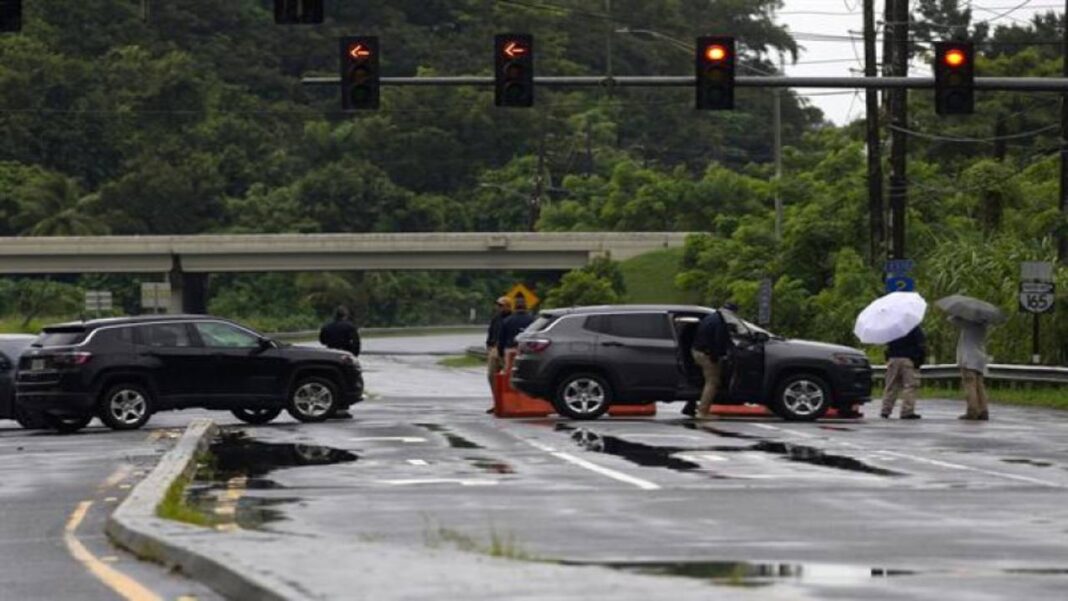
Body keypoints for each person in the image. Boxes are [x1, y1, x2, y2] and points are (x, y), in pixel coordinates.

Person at [687, 307, 732, 419]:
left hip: (697, 351)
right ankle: (703, 412)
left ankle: (690, 405)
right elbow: (718, 342)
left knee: (701, 380)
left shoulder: (711, 317)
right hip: (705, 354)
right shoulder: (720, 322)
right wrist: (717, 357)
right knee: (712, 382)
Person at [319, 306, 361, 419]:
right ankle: (343, 407)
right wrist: (354, 355)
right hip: (345, 355)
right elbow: (356, 343)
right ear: (345, 315)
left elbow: (322, 340)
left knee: (331, 380)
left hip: (331, 354)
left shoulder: (327, 326)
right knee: (346, 380)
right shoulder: (350, 327)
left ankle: (332, 405)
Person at [881, 325, 925, 419]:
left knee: (891, 385)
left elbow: (887, 344)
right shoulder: (913, 327)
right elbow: (921, 344)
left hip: (893, 358)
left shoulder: (891, 328)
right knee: (910, 386)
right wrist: (919, 360)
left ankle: (885, 410)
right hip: (908, 359)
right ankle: (907, 411)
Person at [950, 316, 990, 421]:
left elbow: (952, 319)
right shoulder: (983, 326)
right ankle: (983, 410)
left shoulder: (968, 325)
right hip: (980, 359)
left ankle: (972, 411)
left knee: (970, 386)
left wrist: (959, 314)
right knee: (980, 386)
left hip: (969, 359)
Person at [484, 296, 512, 412]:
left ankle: (509, 402)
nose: (499, 308)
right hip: (495, 349)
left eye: (501, 305)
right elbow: (491, 333)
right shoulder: (496, 318)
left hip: (507, 350)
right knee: (492, 376)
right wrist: (489, 346)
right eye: (498, 305)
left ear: (508, 306)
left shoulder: (511, 319)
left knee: (508, 378)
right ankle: (497, 402)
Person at [497, 295, 534, 367]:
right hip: (525, 350)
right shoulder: (532, 320)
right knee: (524, 370)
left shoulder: (507, 320)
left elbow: (501, 339)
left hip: (510, 349)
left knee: (508, 369)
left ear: (514, 307)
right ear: (525, 306)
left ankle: (509, 376)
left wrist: (500, 354)